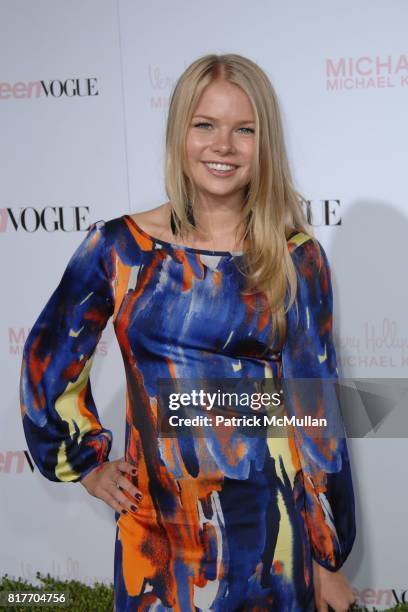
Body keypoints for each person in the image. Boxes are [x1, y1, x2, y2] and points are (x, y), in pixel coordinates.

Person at [19, 53, 356, 611]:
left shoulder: (298, 258)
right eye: (206, 125)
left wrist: (325, 558)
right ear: (180, 132)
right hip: (153, 537)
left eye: (243, 129)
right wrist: (85, 465)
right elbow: (49, 359)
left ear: (263, 143)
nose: (222, 145)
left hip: (273, 542)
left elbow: (312, 412)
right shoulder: (118, 248)